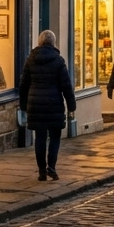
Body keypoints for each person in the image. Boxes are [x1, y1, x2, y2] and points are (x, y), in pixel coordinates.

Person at [19, 30, 76, 181]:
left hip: (35, 105)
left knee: (40, 138)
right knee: (55, 137)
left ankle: (41, 171)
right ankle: (51, 167)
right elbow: (66, 86)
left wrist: (23, 106)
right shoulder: (58, 60)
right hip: (54, 104)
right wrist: (72, 106)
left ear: (39, 42)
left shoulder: (30, 60)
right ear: (53, 42)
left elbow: (23, 85)